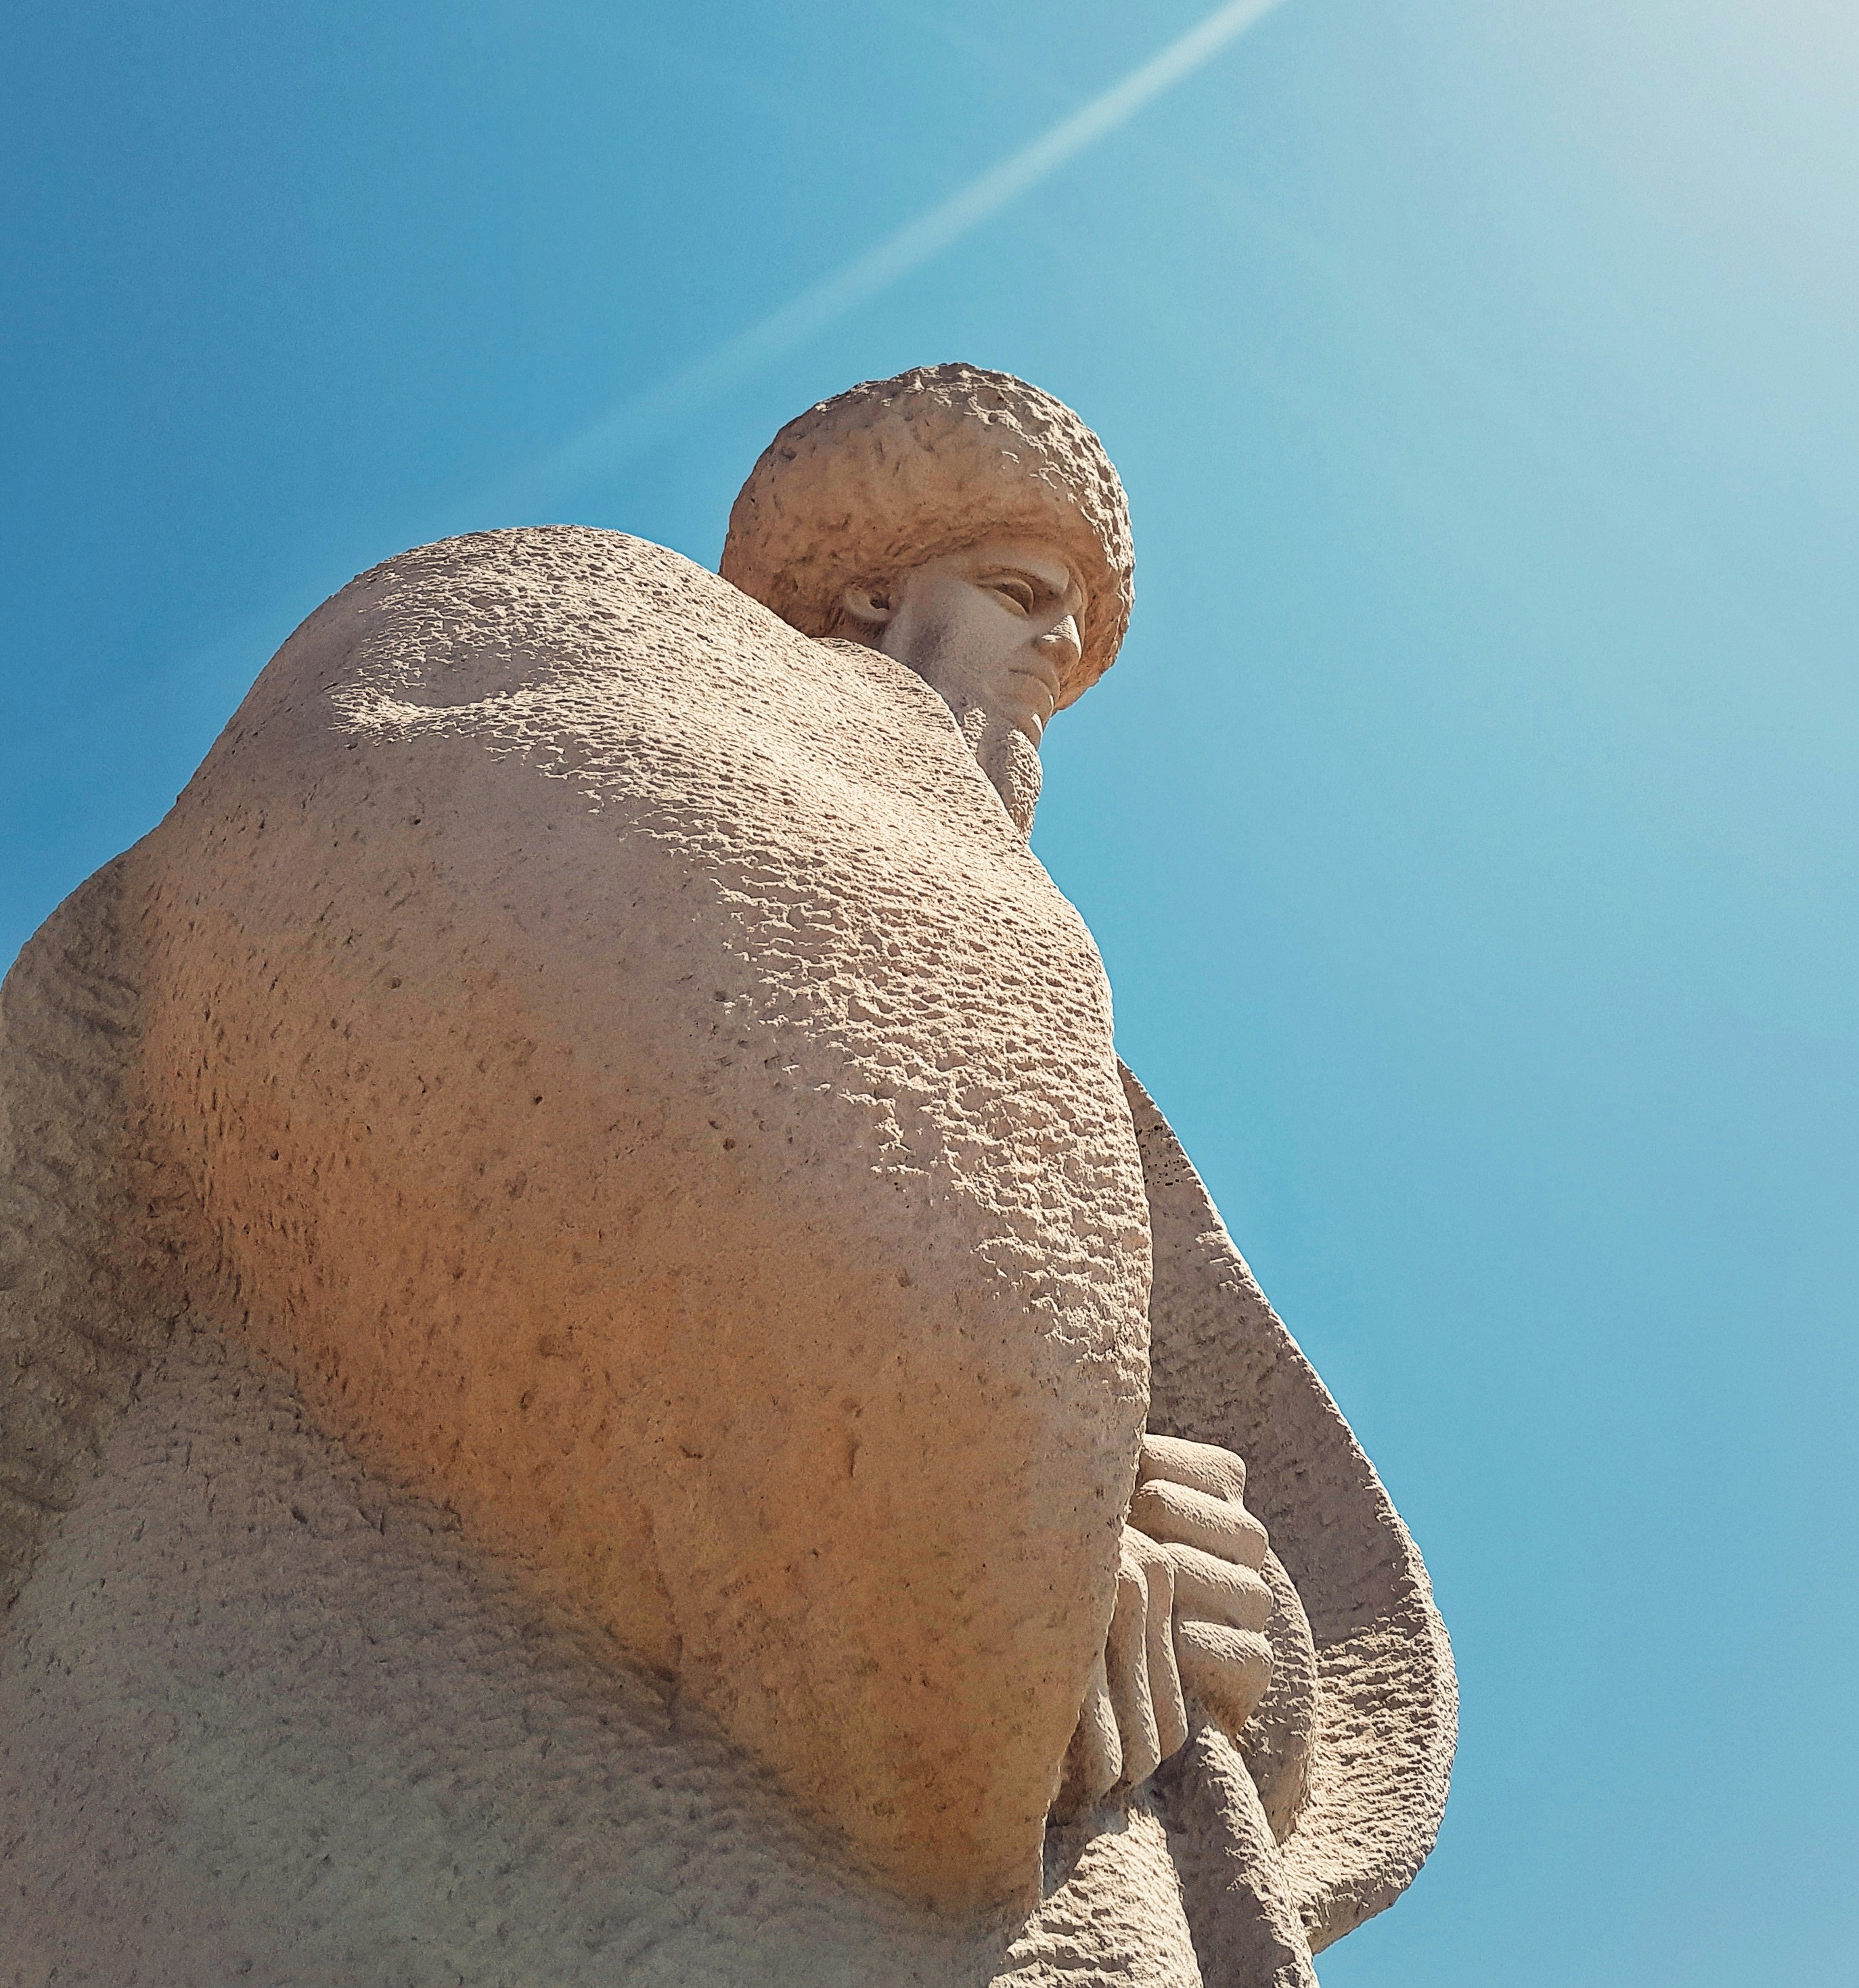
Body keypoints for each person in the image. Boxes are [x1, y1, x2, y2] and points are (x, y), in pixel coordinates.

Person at [0, 365, 1451, 1986]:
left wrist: (1253, 1643)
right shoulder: (589, 637)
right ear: (874, 588)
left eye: (1081, 626)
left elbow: (1161, 1495)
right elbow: (439, 958)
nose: (1060, 650)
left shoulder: (1033, 988)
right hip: (445, 1798)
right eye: (1024, 593)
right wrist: (999, 1544)